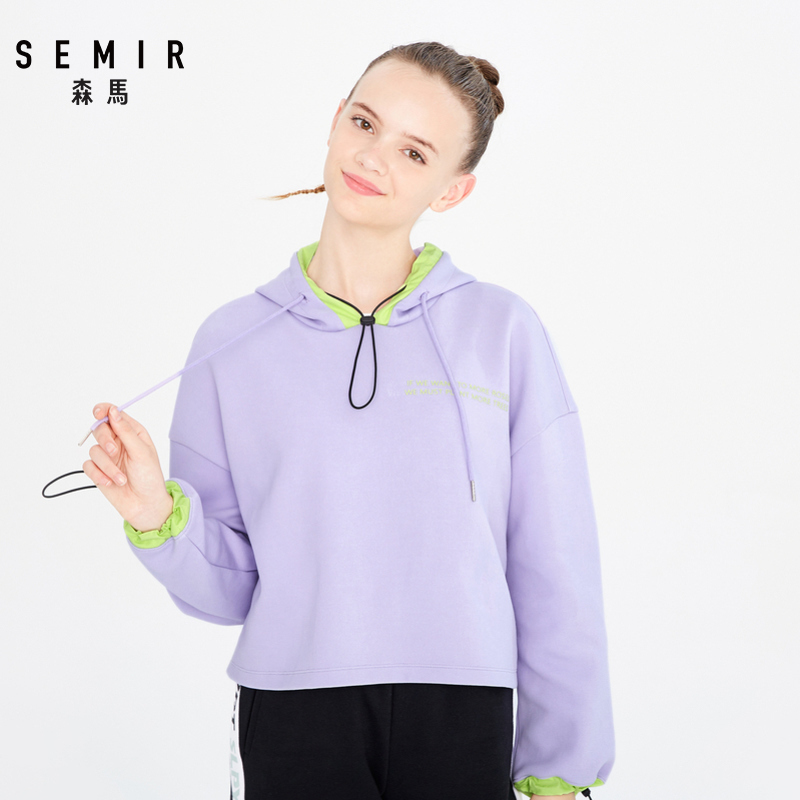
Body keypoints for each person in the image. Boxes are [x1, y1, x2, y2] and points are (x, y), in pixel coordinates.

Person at [84, 41, 615, 800]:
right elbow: (230, 591)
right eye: (364, 123)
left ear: (452, 190)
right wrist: (154, 514)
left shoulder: (501, 331)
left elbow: (555, 562)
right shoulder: (231, 342)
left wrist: (562, 766)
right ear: (335, 121)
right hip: (293, 713)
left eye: (413, 151)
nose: (373, 157)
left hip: (463, 710)